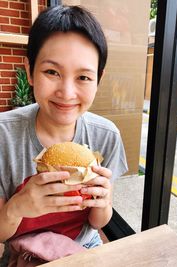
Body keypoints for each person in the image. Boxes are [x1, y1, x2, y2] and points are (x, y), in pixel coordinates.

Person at [0, 4, 128, 265]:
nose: (67, 93)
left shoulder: (106, 136)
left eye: (83, 77)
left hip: (81, 248)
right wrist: (17, 207)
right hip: (21, 252)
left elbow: (98, 222)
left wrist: (102, 203)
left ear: (98, 79)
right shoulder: (3, 136)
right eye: (52, 72)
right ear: (30, 71)